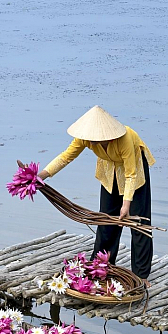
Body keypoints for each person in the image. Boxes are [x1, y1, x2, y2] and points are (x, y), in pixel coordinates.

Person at [38, 105, 156, 285]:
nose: (91, 142)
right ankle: (102, 265)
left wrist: (126, 204)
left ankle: (141, 275)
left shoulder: (125, 138)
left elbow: (131, 174)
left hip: (134, 171)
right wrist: (40, 176)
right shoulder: (84, 138)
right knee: (106, 219)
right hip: (109, 171)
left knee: (138, 222)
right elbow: (65, 157)